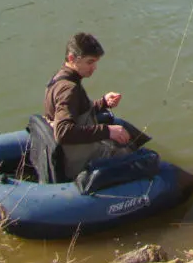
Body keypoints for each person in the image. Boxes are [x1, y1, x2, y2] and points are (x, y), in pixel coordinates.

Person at [44, 32, 133, 179]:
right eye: (90, 62)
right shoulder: (69, 89)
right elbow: (62, 132)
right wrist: (107, 131)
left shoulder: (59, 78)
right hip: (78, 162)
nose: (94, 67)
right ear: (72, 58)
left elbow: (77, 110)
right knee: (132, 156)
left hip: (72, 150)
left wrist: (103, 102)